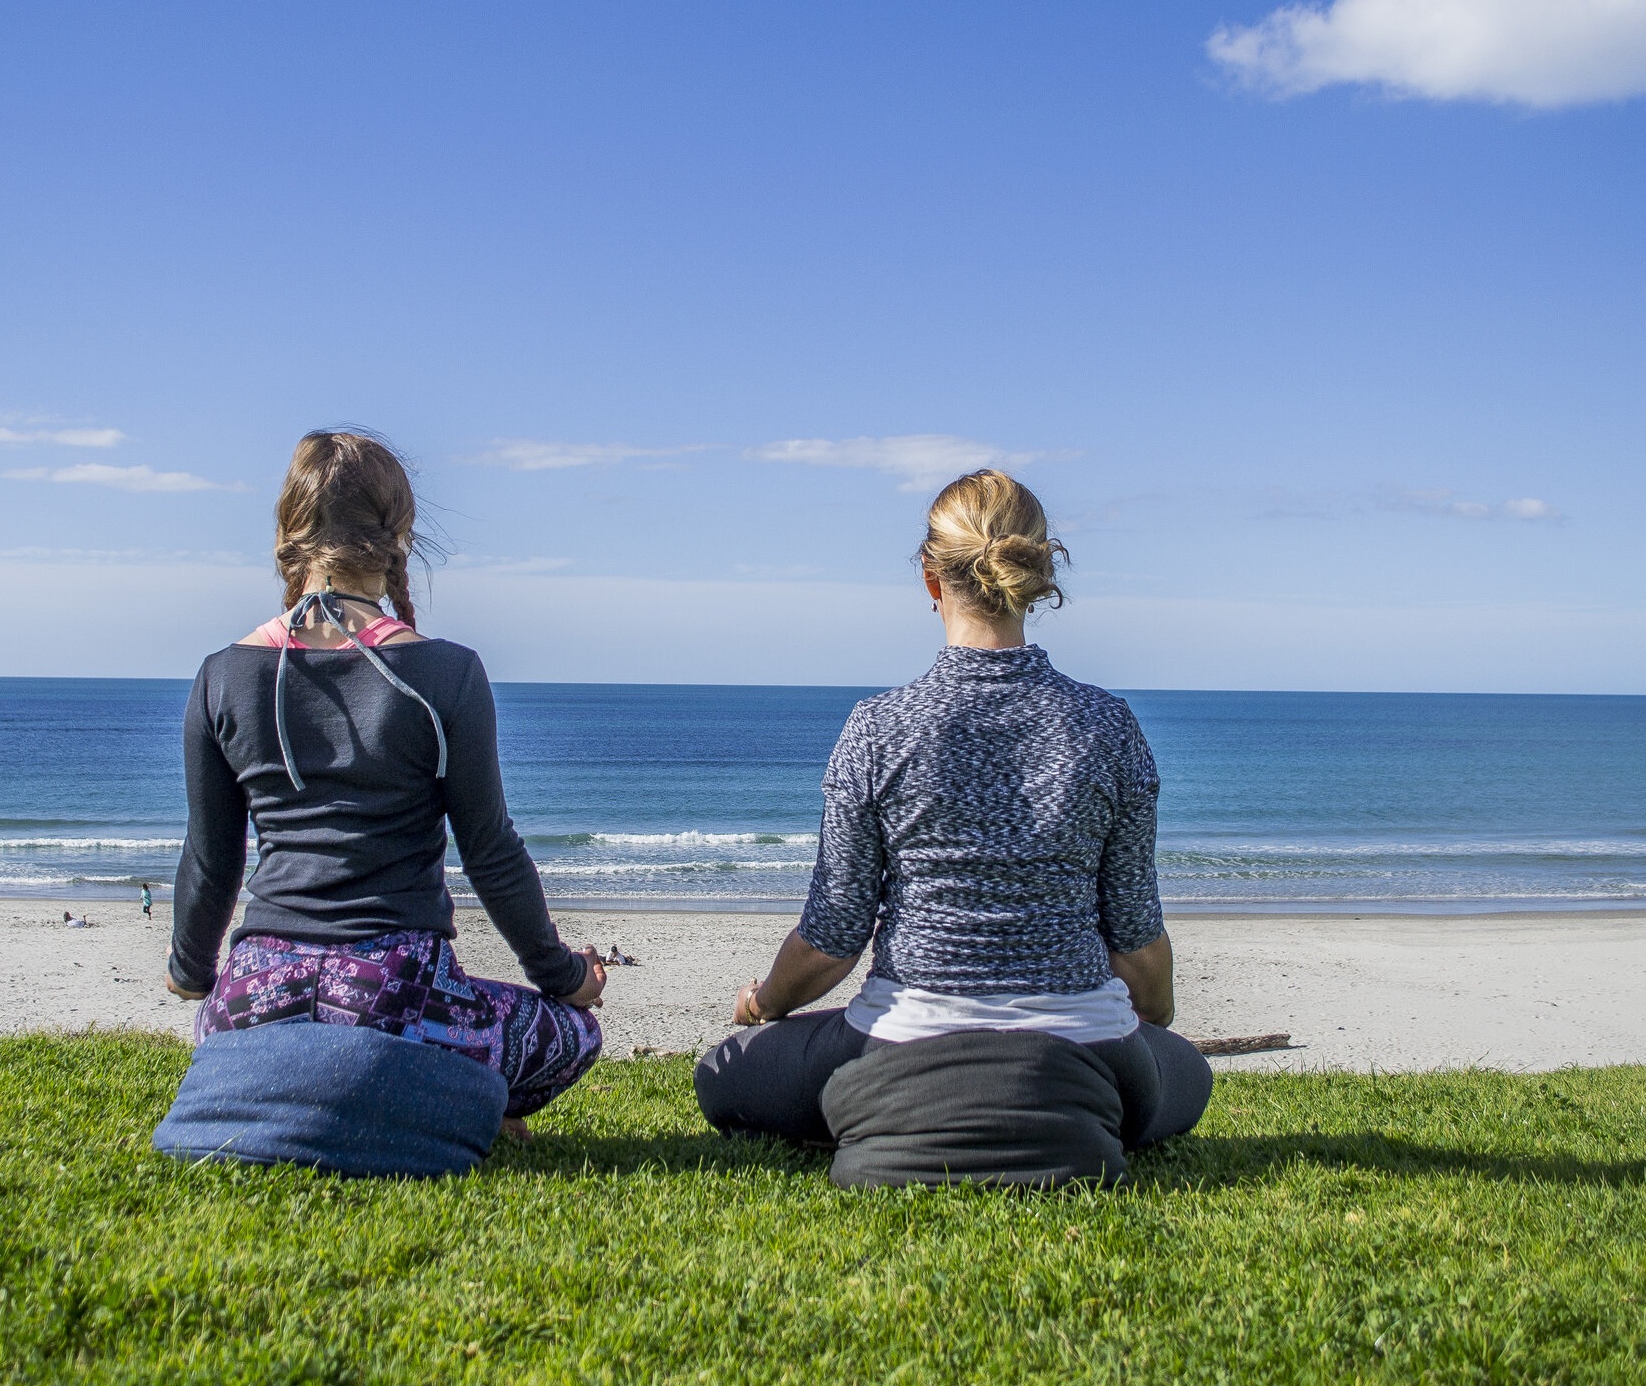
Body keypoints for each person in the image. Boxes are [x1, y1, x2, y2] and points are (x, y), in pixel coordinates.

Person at [693, 469, 1211, 1150]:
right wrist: (1154, 1016)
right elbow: (1136, 936)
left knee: (716, 1079)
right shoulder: (1107, 726)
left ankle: (897, 1114)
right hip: (1087, 1047)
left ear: (932, 579)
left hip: (902, 1043)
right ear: (1039, 573)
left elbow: (832, 940)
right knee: (1190, 1075)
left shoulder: (880, 727)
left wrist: (762, 1003)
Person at [165, 429, 608, 1124]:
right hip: (395, 996)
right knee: (577, 1034)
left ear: (290, 530)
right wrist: (567, 975)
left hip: (247, 1009)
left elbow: (210, 859)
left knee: (227, 1018)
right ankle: (445, 1097)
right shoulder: (448, 673)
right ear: (399, 534)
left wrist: (191, 973)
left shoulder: (221, 675)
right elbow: (490, 852)